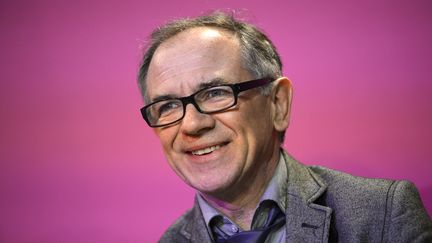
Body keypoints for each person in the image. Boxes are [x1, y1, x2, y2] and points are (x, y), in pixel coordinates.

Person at [137, 11, 432, 242]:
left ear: (278, 104)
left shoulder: (382, 214)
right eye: (168, 106)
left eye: (216, 93)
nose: (192, 124)